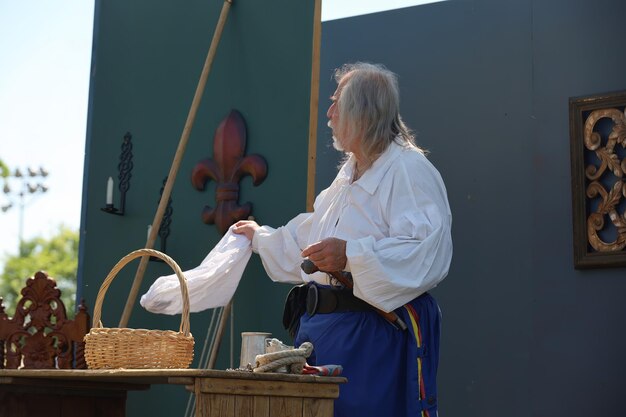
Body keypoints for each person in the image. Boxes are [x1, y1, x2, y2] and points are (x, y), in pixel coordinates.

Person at [233, 62, 452, 417]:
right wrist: (260, 238)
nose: (329, 114)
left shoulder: (409, 170)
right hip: (322, 335)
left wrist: (351, 256)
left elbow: (426, 251)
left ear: (363, 113)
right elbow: (311, 237)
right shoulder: (347, 175)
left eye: (337, 104)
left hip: (371, 335)